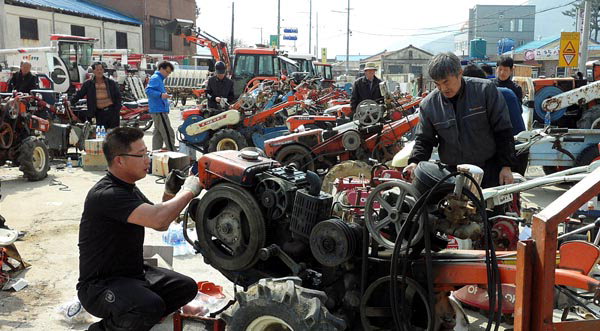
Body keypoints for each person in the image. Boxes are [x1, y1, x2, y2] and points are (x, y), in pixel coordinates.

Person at [77, 127, 201, 331]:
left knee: (186, 287)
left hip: (133, 273)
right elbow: (159, 220)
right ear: (119, 160)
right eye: (141, 154)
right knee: (148, 307)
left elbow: (160, 219)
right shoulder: (106, 194)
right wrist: (189, 190)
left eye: (147, 153)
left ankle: (134, 319)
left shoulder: (128, 188)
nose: (147, 160)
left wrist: (171, 192)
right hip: (100, 285)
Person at [404, 52, 516, 188]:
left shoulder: (485, 91)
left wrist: (506, 166)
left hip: (489, 169)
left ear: (460, 73)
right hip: (452, 174)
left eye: (446, 82)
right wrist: (415, 162)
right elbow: (424, 139)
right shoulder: (429, 105)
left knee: (491, 208)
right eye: (437, 84)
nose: (443, 88)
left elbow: (503, 131)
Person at [463, 64, 525, 135]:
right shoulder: (507, 93)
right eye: (500, 69)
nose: (502, 72)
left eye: (505, 70)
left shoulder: (508, 94)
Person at [71, 62, 122, 128]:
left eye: (101, 69)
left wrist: (117, 108)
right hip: (99, 113)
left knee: (114, 134)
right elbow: (79, 94)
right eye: (97, 70)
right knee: (101, 134)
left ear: (103, 70)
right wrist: (70, 102)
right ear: (93, 71)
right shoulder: (88, 84)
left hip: (112, 112)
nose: (99, 71)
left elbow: (118, 96)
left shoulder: (111, 82)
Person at [146, 61, 176, 151]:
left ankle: (155, 154)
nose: (168, 74)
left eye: (169, 73)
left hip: (157, 110)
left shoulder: (158, 78)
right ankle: (173, 153)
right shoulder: (156, 78)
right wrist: (161, 95)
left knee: (158, 134)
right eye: (167, 72)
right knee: (168, 133)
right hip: (159, 110)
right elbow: (148, 91)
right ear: (161, 69)